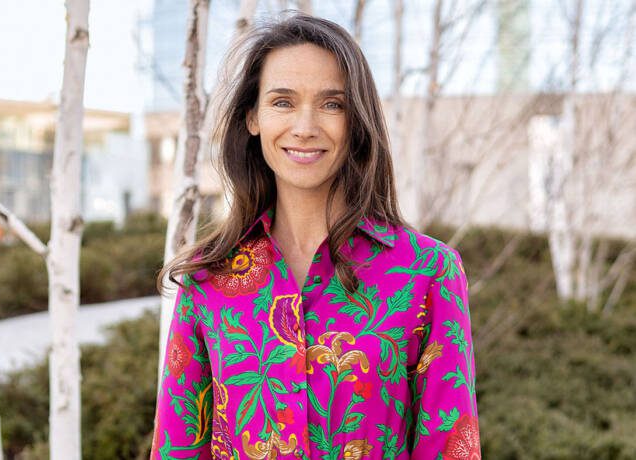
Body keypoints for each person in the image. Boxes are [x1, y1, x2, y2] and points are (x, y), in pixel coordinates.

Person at [151, 12, 480, 460]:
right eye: (283, 102)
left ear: (357, 120)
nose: (305, 126)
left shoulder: (426, 272)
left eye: (332, 104)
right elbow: (178, 449)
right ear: (253, 118)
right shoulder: (208, 279)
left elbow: (450, 448)